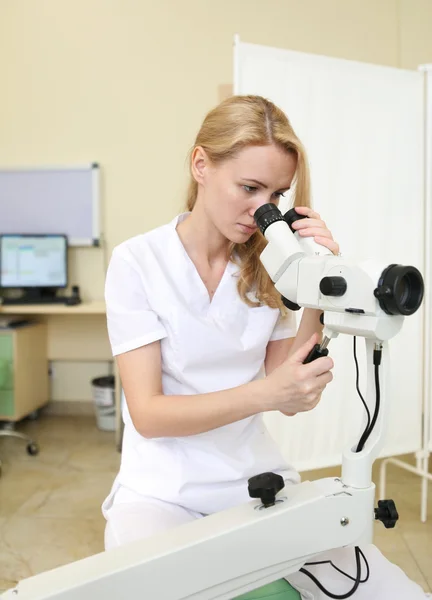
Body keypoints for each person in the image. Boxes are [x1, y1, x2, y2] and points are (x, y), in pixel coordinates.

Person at [102, 95, 429, 599]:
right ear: (201, 165)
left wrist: (321, 277)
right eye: (249, 187)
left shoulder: (270, 267)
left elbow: (293, 391)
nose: (262, 209)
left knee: (386, 589)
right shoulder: (138, 262)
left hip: (253, 480)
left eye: (275, 194)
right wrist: (267, 394)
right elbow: (148, 414)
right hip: (163, 491)